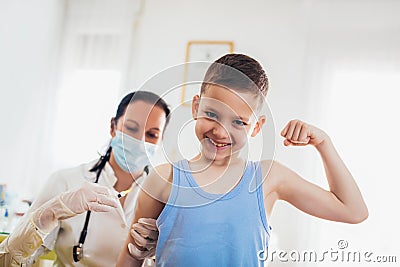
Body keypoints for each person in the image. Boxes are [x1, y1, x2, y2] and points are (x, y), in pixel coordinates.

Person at [116, 54, 369, 267]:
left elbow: (353, 211)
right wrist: (142, 250)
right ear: (196, 107)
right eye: (211, 114)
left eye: (238, 122)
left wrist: (323, 143)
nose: (220, 131)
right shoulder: (162, 181)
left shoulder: (269, 178)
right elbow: (130, 259)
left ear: (257, 127)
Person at [0, 91, 170, 266]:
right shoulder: (65, 181)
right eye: (131, 128)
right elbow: (6, 262)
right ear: (113, 127)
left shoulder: (167, 198)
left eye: (152, 134)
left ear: (161, 140)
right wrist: (50, 213)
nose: (140, 141)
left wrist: (163, 253)